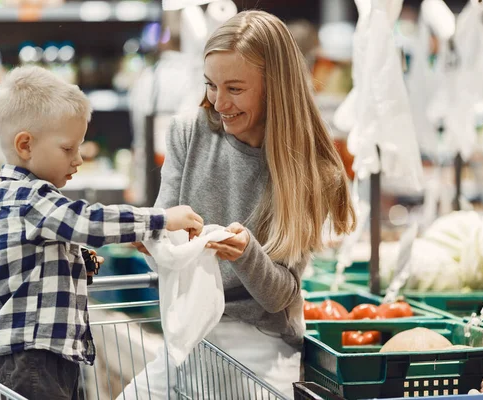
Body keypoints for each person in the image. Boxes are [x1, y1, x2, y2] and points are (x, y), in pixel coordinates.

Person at [126, 9, 356, 398]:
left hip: (260, 347)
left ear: (275, 87)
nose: (218, 103)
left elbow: (281, 295)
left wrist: (246, 254)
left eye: (235, 89)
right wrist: (154, 243)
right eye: (211, 85)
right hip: (189, 334)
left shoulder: (308, 166)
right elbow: (162, 256)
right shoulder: (188, 132)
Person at [0, 65, 204, 400]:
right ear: (25, 145)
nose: (78, 159)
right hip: (31, 361)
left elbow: (26, 267)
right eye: (68, 148)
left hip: (39, 357)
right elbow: (87, 222)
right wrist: (159, 220)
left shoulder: (18, 201)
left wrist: (80, 261)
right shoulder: (29, 199)